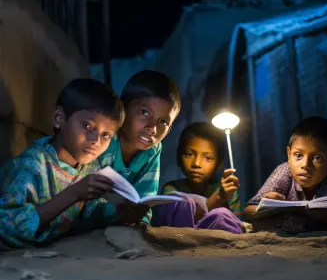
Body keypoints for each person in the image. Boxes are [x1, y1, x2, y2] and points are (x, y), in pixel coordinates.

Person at [0, 78, 125, 248]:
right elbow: (8, 228)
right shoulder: (29, 167)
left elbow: (89, 213)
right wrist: (74, 193)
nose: (96, 140)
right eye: (87, 126)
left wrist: (122, 212)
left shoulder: (89, 167)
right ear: (59, 118)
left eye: (106, 135)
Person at [98, 70, 181, 225]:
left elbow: (145, 198)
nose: (152, 128)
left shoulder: (153, 150)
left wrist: (140, 220)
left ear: (169, 129)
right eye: (144, 112)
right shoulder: (104, 139)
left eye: (163, 122)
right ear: (123, 108)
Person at [244, 116, 327, 233]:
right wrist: (269, 206)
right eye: (298, 155)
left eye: (317, 158)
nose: (305, 165)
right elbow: (249, 211)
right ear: (289, 154)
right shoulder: (285, 172)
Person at [151, 122, 243, 234]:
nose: (196, 163)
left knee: (222, 214)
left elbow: (235, 224)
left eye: (207, 158)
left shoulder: (228, 190)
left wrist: (224, 197)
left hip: (215, 245)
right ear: (179, 158)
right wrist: (219, 196)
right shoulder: (172, 188)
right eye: (189, 154)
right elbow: (176, 222)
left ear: (218, 165)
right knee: (180, 201)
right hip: (179, 239)